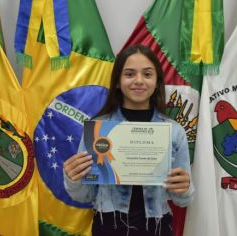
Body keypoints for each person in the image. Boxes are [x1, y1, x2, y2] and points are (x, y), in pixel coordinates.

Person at [63, 45, 194, 236]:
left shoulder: (174, 132)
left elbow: (183, 200)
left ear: (157, 82)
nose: (139, 81)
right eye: (130, 74)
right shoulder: (97, 130)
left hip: (157, 228)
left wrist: (184, 187)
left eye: (147, 74)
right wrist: (72, 178)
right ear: (117, 81)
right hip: (108, 227)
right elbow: (84, 196)